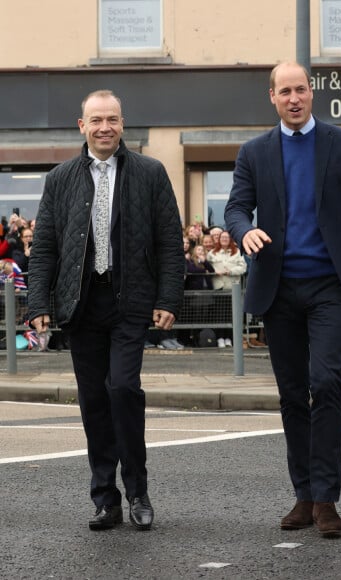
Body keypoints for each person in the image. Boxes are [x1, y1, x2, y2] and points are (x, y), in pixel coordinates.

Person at [225, 61, 341, 537]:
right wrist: (245, 230)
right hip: (279, 290)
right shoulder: (254, 152)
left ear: (311, 93)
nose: (293, 99)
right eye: (284, 92)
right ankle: (303, 495)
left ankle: (327, 500)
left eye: (301, 90)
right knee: (293, 394)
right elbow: (236, 206)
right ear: (271, 97)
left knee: (328, 383)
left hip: (332, 288)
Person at [27, 89, 183, 532]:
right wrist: (38, 302)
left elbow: (170, 242)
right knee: (94, 401)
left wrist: (168, 299)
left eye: (112, 119)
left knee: (122, 389)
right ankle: (105, 499)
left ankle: (138, 491)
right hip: (80, 307)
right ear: (82, 126)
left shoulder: (151, 173)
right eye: (96, 120)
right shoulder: (60, 178)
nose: (104, 127)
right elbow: (45, 249)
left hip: (130, 303)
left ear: (122, 124)